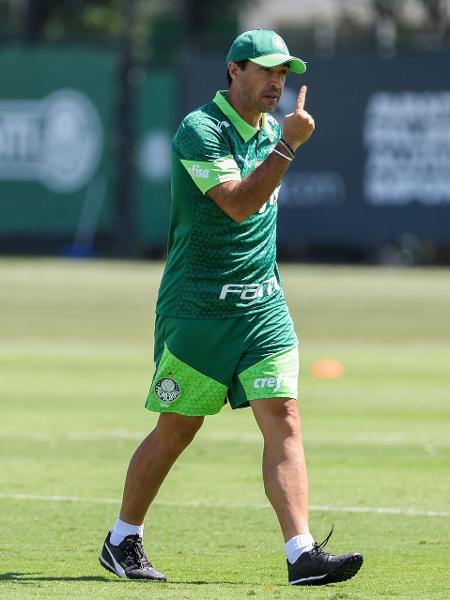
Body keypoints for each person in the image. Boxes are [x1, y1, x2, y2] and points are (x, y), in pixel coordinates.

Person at [99, 29, 363, 586]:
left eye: (283, 74)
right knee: (178, 429)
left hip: (262, 306)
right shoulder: (202, 130)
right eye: (266, 71)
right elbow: (239, 206)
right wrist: (288, 147)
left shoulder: (270, 129)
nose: (277, 83)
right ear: (233, 71)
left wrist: (281, 140)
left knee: (284, 418)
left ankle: (301, 553)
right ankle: (123, 539)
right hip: (198, 307)